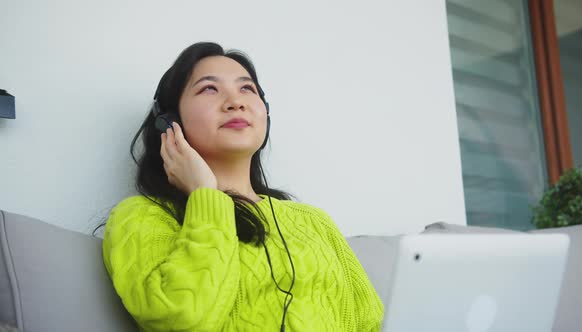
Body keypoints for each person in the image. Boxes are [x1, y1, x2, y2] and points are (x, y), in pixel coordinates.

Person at [102, 41, 383, 332]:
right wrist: (205, 198)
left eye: (247, 89)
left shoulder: (315, 222)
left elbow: (370, 323)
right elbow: (181, 319)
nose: (236, 102)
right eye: (209, 89)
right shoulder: (142, 217)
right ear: (170, 122)